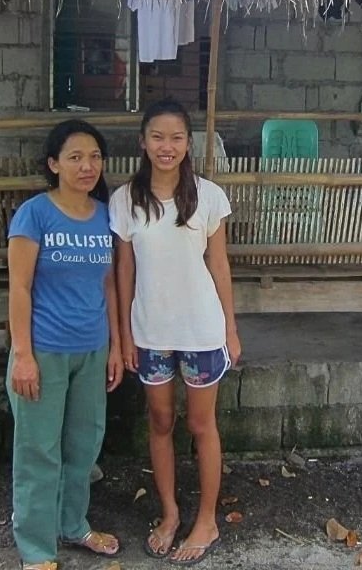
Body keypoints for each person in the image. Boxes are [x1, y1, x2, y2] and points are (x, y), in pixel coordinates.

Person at [110, 99, 241, 566]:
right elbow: (124, 271)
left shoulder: (208, 197)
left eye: (177, 138)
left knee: (200, 424)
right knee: (160, 422)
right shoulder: (125, 200)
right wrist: (124, 336)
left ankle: (206, 519)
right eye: (158, 137)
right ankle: (169, 512)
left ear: (189, 144)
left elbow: (219, 264)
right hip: (150, 331)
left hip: (202, 330)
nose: (167, 147)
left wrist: (230, 327)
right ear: (143, 142)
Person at [6, 119, 123, 570]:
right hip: (44, 351)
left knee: (82, 447)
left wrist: (113, 346)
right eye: (75, 157)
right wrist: (23, 356)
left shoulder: (103, 214)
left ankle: (73, 525)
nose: (87, 166)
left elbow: (109, 285)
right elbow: (19, 288)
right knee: (38, 451)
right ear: (54, 164)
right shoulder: (34, 213)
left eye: (94, 156)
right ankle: (36, 548)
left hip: (91, 351)